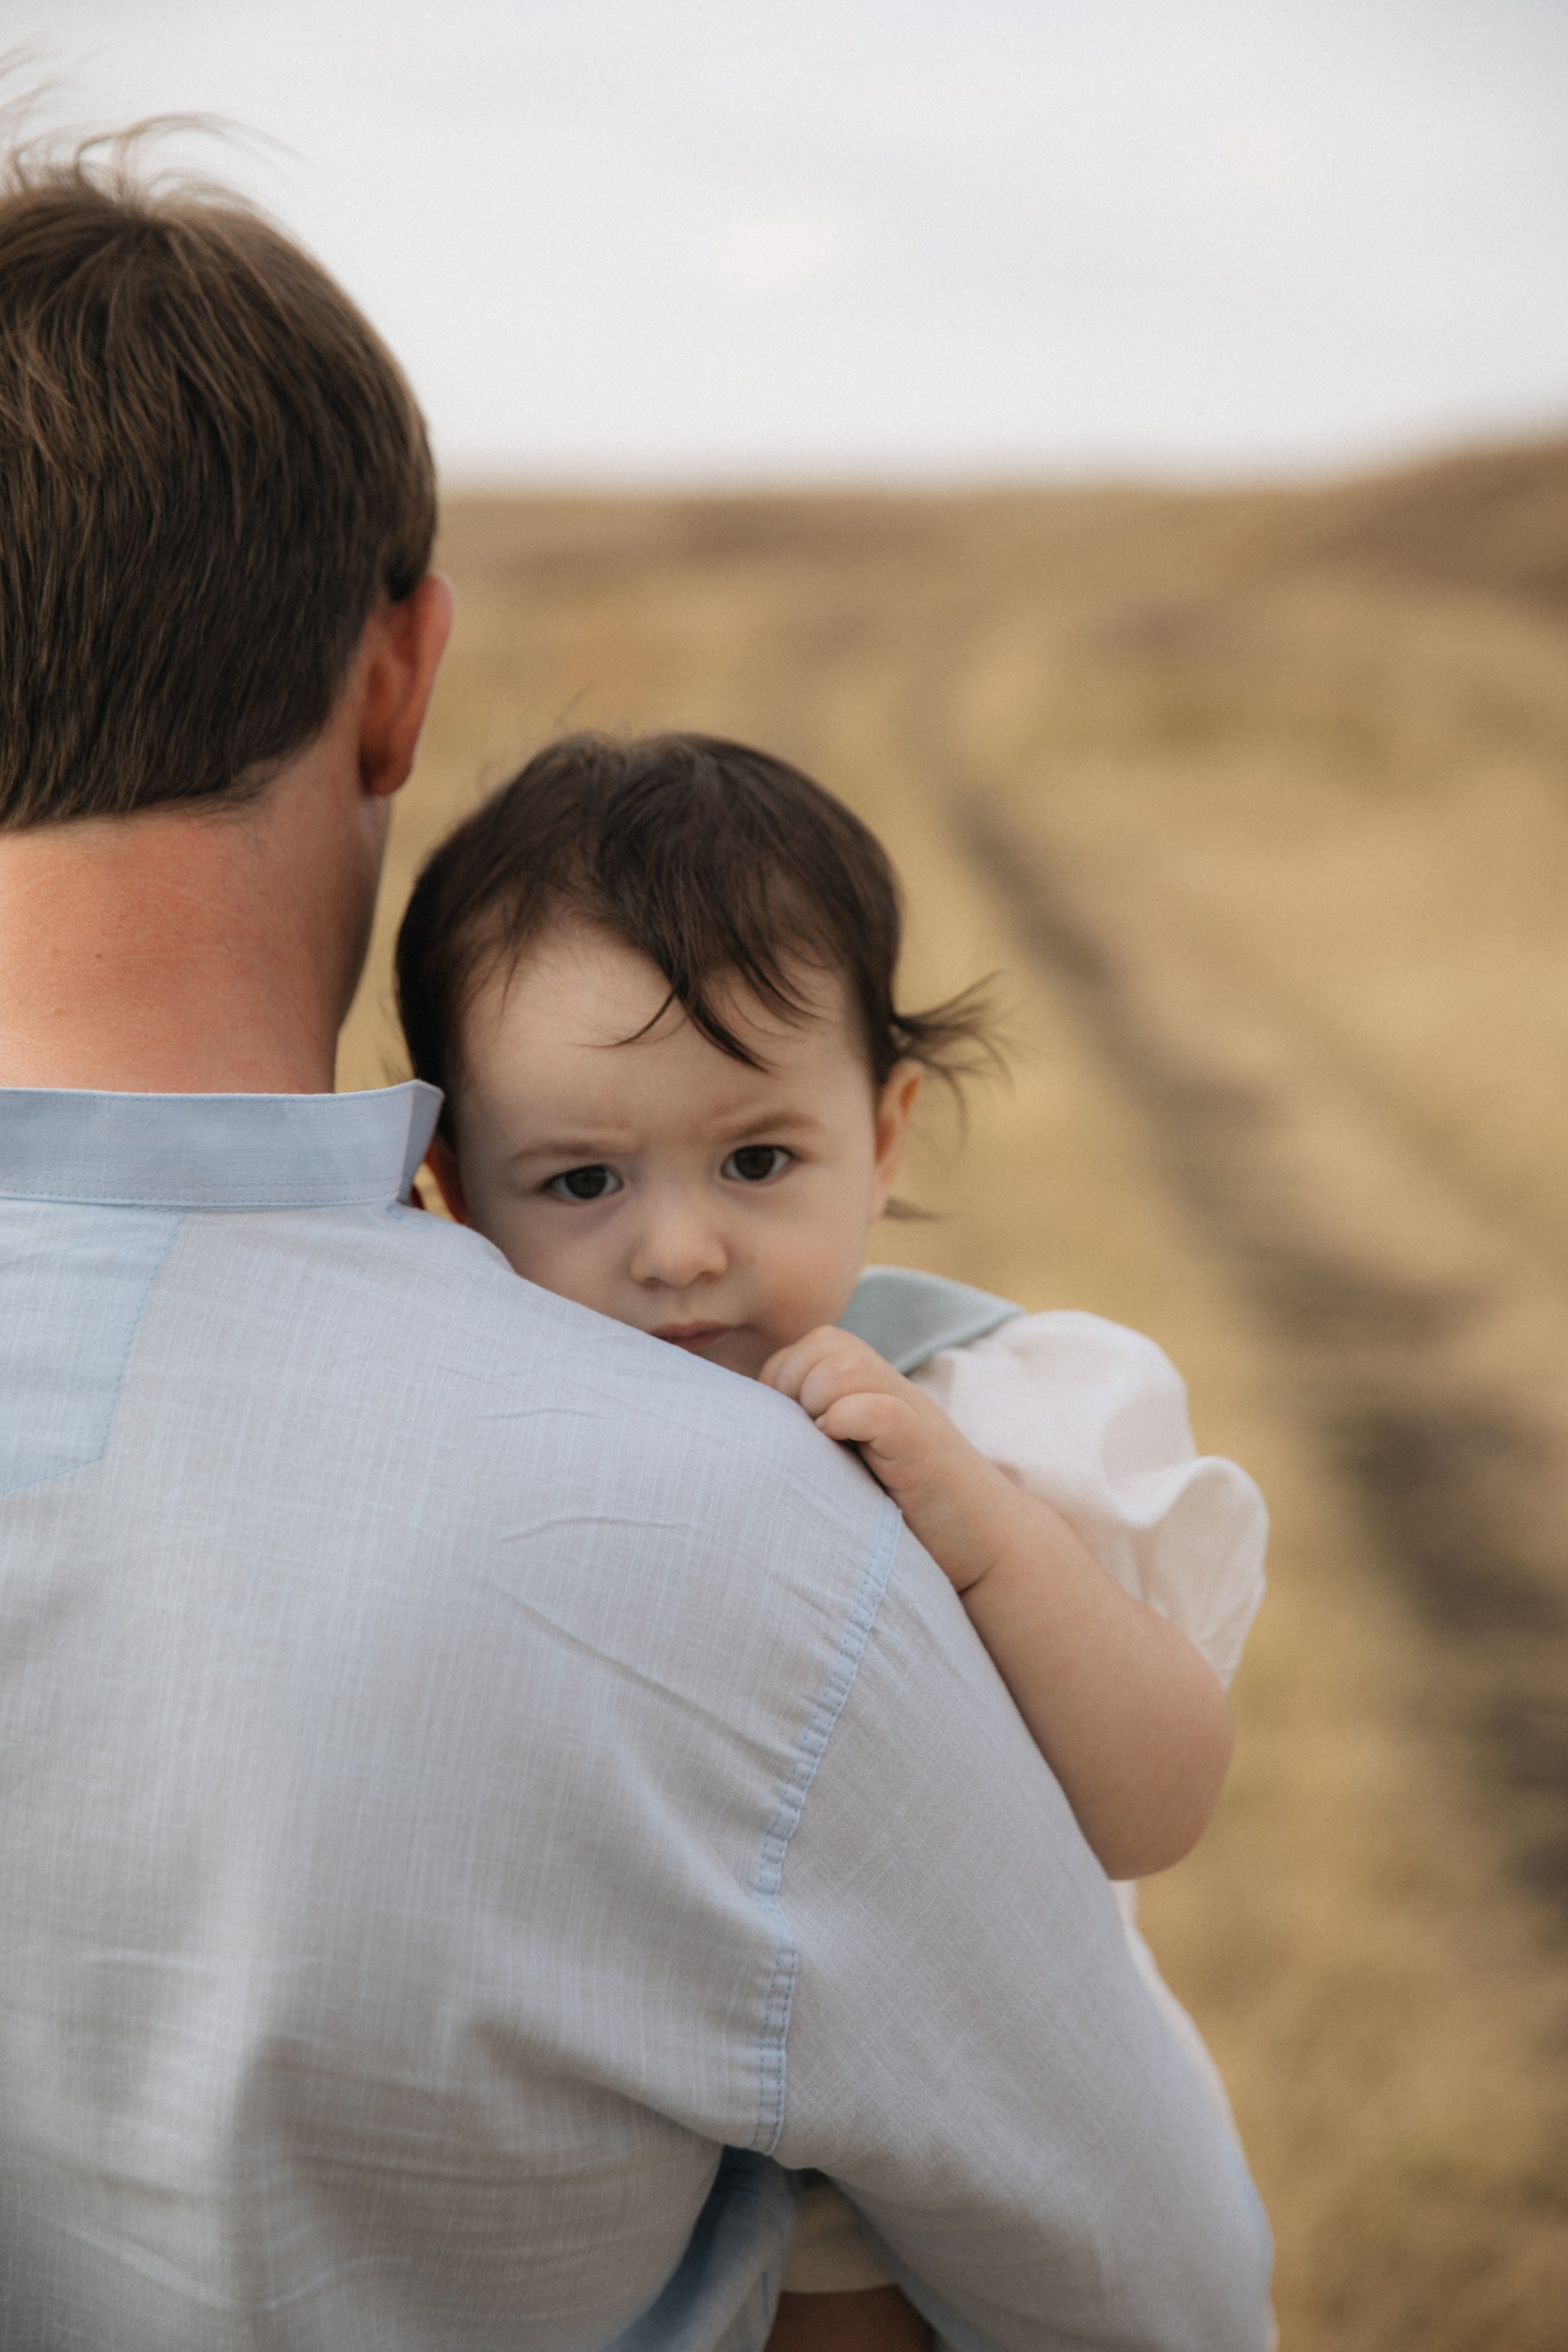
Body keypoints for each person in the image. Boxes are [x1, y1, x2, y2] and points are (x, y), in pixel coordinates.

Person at [0, 138, 1275, 2351]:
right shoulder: (759, 1553)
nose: (681, 1252)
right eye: (589, 1179)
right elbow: (1150, 2300)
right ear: (399, 679)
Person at [395, 733, 1270, 2336]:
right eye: (581, 1178)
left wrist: (981, 1532)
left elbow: (1160, 1802)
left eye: (757, 1160)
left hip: (947, 2190)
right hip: (628, 2185)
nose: (678, 1248)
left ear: (885, 1132)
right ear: (457, 1192)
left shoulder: (996, 1412)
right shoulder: (461, 1435)